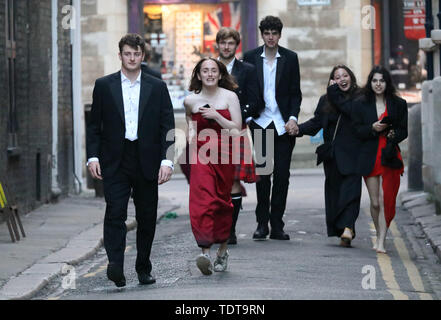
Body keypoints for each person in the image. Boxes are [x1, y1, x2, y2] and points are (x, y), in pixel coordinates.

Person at [86, 34, 175, 287]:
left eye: (136, 54)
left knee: (147, 216)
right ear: (120, 55)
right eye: (127, 54)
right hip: (115, 159)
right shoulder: (104, 85)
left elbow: (167, 125)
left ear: (143, 56)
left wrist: (167, 161)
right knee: (115, 211)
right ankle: (115, 265)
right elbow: (94, 127)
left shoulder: (156, 86)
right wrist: (92, 156)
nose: (132, 58)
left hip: (147, 159)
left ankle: (143, 267)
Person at [243, 16, 302, 241]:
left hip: (284, 124)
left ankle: (277, 224)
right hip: (261, 122)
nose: (270, 37)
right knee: (264, 173)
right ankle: (262, 224)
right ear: (262, 34)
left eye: (274, 33)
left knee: (282, 175)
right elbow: (244, 89)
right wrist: (248, 117)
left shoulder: (290, 58)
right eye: (266, 33)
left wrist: (293, 118)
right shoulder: (250, 58)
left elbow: (295, 93)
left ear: (279, 34)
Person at [184, 58, 242, 275]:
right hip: (201, 154)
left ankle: (223, 251)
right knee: (202, 200)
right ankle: (205, 253)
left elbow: (236, 129)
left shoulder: (230, 97)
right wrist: (190, 141)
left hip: (225, 155)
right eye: (205, 70)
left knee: (221, 203)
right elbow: (190, 124)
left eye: (213, 70)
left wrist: (217, 115)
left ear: (220, 74)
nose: (209, 74)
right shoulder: (190, 100)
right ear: (198, 75)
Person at [297, 65, 362, 247]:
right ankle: (340, 229)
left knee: (351, 192)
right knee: (334, 194)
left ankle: (348, 227)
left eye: (345, 75)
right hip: (332, 156)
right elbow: (316, 122)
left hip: (353, 154)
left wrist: (334, 93)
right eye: (337, 76)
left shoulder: (360, 97)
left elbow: (350, 111)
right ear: (332, 80)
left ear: (351, 78)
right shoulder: (326, 99)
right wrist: (298, 130)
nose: (342, 79)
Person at [352, 66, 408, 253]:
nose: (378, 84)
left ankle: (382, 240)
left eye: (381, 81)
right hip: (369, 155)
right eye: (375, 81)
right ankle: (379, 232)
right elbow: (356, 130)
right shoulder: (361, 103)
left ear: (387, 83)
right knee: (375, 202)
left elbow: (403, 130)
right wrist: (372, 128)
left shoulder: (398, 103)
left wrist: (393, 134)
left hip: (389, 154)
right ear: (370, 82)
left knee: (386, 200)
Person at [216, 27, 261, 245]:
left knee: (232, 180)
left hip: (236, 129)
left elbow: (256, 101)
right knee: (215, 180)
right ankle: (218, 225)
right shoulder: (208, 67)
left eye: (230, 43)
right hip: (211, 130)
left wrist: (235, 115)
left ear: (236, 45)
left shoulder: (248, 69)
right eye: (223, 42)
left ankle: (230, 230)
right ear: (217, 44)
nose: (226, 46)